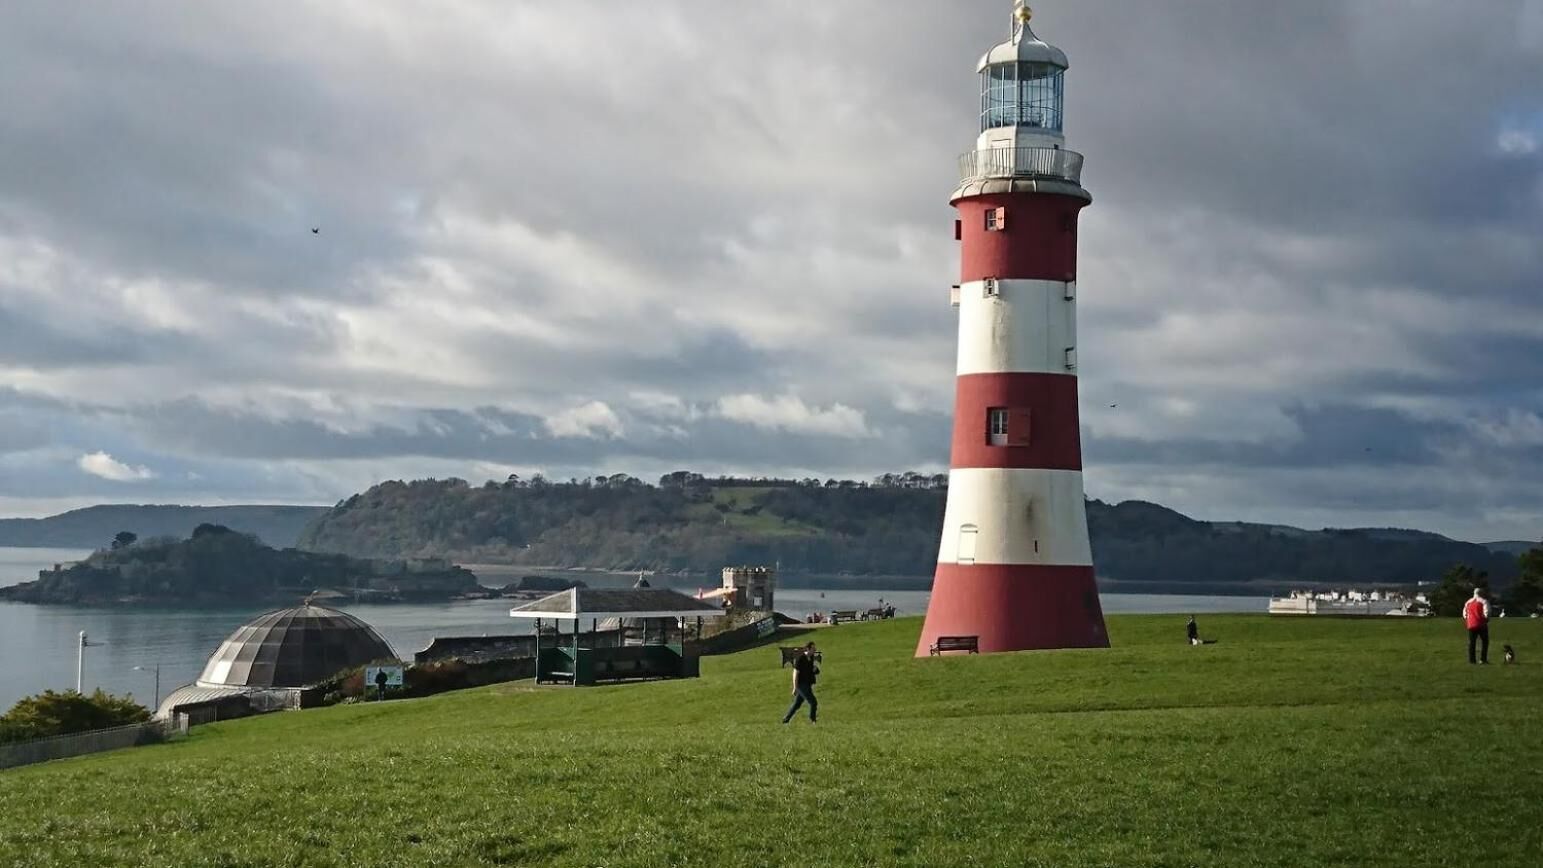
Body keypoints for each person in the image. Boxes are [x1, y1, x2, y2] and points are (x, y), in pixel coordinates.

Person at [782, 642, 819, 724]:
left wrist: (814, 670)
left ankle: (785, 720)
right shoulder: (800, 658)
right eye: (813, 648)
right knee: (813, 702)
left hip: (808, 684)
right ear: (808, 649)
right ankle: (813, 720)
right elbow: (795, 673)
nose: (815, 650)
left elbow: (809, 669)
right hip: (801, 685)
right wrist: (795, 687)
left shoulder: (811, 657)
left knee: (797, 704)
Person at [1464, 588, 1491, 665]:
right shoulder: (1483, 601)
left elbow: (1464, 613)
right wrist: (1486, 619)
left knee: (1472, 643)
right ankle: (1483, 659)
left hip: (1471, 625)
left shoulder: (1468, 602)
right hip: (1481, 624)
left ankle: (1472, 660)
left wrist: (1468, 619)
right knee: (1485, 641)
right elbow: (1487, 612)